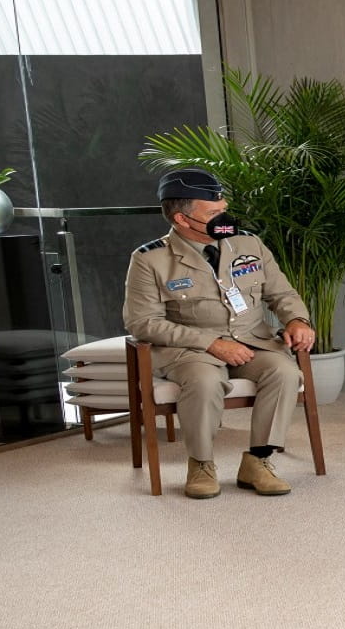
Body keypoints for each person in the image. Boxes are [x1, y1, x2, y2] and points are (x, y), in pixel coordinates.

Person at [122, 168, 316, 499]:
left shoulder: (248, 243)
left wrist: (297, 319)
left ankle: (259, 460)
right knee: (204, 381)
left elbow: (281, 293)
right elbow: (142, 322)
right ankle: (201, 463)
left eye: (223, 208)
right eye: (213, 213)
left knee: (284, 372)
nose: (223, 215)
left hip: (252, 340)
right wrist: (211, 343)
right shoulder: (150, 259)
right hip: (191, 349)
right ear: (183, 219)